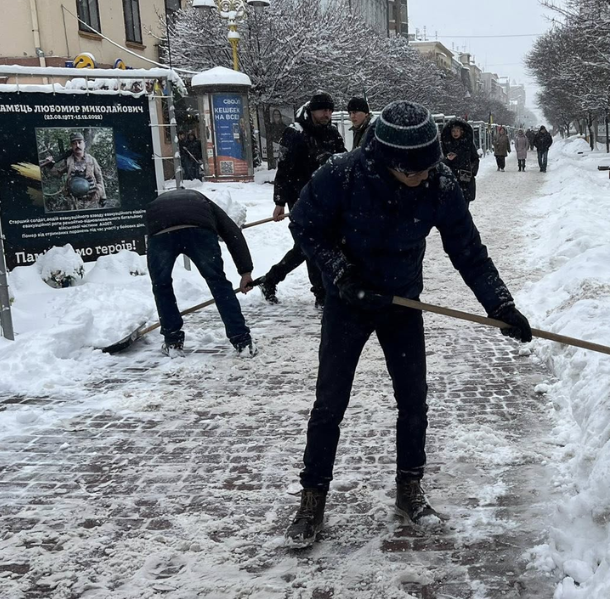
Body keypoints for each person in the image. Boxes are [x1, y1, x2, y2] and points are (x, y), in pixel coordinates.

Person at [283, 101, 534, 547]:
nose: (421, 177)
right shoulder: (342, 174)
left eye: (427, 168)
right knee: (330, 403)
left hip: (401, 302)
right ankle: (312, 497)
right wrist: (341, 274)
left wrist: (501, 305)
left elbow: (468, 251)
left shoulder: (438, 182)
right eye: (411, 171)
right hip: (349, 303)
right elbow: (305, 227)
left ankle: (409, 488)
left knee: (413, 400)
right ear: (387, 159)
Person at [254, 92, 347, 308]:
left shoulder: (332, 133)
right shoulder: (295, 133)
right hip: (301, 199)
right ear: (312, 111)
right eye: (323, 110)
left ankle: (271, 279)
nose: (327, 114)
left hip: (327, 199)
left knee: (309, 246)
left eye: (330, 110)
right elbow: (284, 170)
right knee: (310, 243)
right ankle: (321, 295)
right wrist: (279, 201)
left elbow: (343, 162)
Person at [144, 188, 256, 357]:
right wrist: (245, 272)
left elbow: (150, 234)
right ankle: (242, 342)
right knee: (218, 283)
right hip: (198, 230)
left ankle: (173, 342)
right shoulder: (203, 202)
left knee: (162, 286)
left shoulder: (156, 204)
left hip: (161, 231)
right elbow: (232, 233)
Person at [42, 131, 106, 210]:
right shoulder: (68, 161)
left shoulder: (92, 160)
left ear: (84, 144)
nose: (77, 145)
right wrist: (50, 166)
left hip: (91, 199)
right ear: (71, 145)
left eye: (79, 142)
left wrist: (103, 197)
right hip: (73, 200)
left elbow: (99, 178)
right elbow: (57, 173)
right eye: (74, 143)